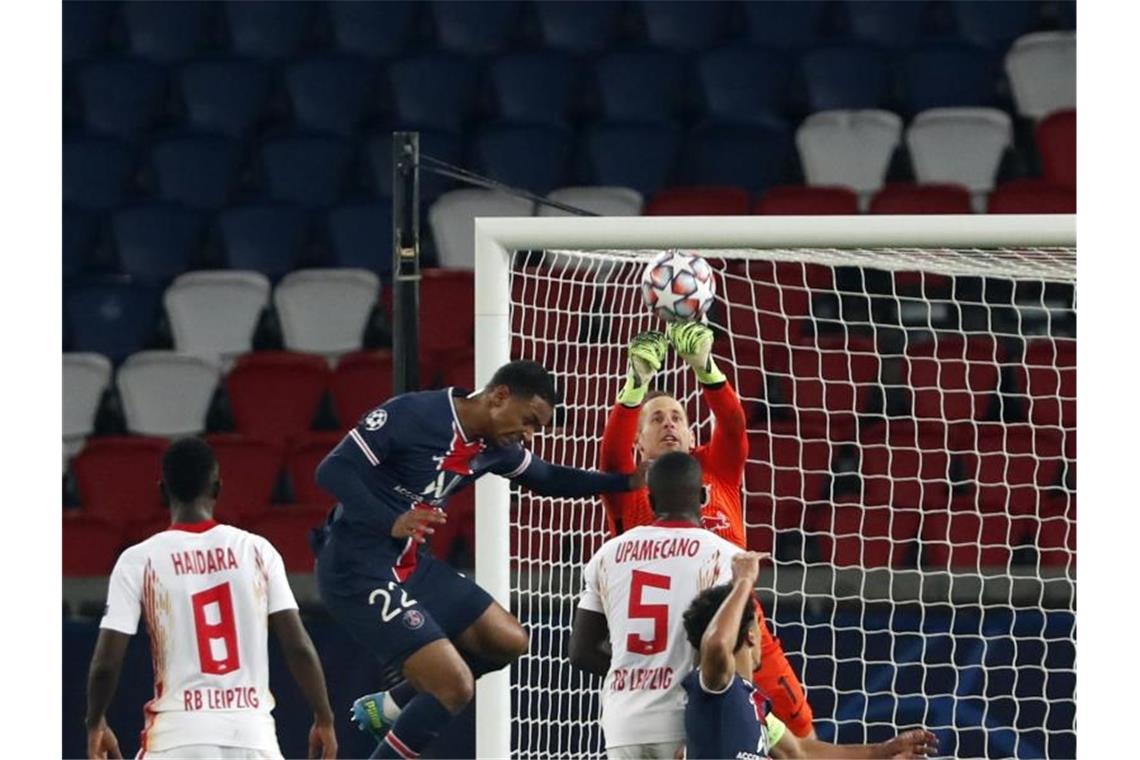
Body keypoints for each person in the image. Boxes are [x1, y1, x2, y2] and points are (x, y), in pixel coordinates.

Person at [314, 360, 645, 759]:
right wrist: (392, 520)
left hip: (411, 565)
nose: (528, 434)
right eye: (528, 421)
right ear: (499, 395)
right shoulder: (414, 414)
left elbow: (549, 478)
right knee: (454, 686)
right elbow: (332, 470)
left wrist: (627, 482)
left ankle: (393, 704)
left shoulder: (496, 448)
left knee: (508, 640)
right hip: (357, 568)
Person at [600, 321, 818, 738]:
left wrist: (706, 370)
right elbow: (611, 456)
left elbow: (734, 426)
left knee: (803, 740)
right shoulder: (628, 488)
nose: (668, 424)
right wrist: (634, 387)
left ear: (691, 432)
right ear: (639, 443)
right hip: (673, 647)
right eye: (656, 419)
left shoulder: (714, 468)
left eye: (677, 417)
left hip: (745, 630)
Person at [85, 437, 337, 760]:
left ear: (163, 491)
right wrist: (324, 717)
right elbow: (297, 647)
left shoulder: (140, 560)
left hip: (178, 737)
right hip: (253, 737)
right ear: (217, 487)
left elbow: (106, 663)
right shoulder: (258, 551)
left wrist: (95, 722)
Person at [567, 451, 744, 758]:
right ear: (702, 496)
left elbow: (581, 653)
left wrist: (641, 672)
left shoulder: (607, 555)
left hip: (623, 724)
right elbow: (728, 650)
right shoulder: (725, 558)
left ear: (650, 501)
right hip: (686, 721)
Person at [681, 552, 939, 760]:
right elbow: (716, 645)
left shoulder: (755, 705)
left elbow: (800, 752)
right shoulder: (716, 688)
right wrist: (744, 582)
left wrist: (882, 751)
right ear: (751, 634)